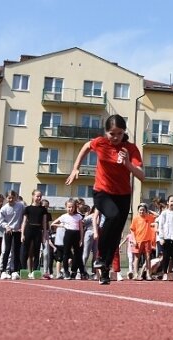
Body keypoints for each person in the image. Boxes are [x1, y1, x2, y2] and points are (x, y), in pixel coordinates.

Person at [66, 114, 145, 285]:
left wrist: (127, 164)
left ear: (124, 132)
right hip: (102, 192)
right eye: (112, 133)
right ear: (106, 132)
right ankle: (100, 256)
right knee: (113, 216)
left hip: (123, 195)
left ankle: (105, 271)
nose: (116, 137)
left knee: (116, 235)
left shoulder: (130, 149)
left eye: (119, 133)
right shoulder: (100, 142)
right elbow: (86, 146)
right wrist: (75, 168)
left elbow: (142, 175)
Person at [51, 199, 85, 280]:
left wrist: (81, 239)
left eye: (72, 207)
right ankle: (66, 271)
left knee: (78, 254)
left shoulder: (78, 216)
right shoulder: (64, 216)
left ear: (75, 207)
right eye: (69, 207)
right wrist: (62, 225)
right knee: (66, 254)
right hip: (68, 235)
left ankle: (80, 272)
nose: (71, 209)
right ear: (66, 207)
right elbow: (53, 223)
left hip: (76, 235)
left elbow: (81, 229)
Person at [20, 190, 48, 279]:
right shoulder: (27, 208)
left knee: (37, 251)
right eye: (37, 196)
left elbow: (44, 223)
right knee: (25, 251)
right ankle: (24, 270)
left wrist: (44, 235)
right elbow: (24, 222)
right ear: (33, 196)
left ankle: (35, 271)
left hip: (38, 230)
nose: (39, 198)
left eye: (40, 196)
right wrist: (22, 234)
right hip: (29, 229)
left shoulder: (43, 209)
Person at [156, 195, 173, 281]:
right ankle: (164, 273)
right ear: (168, 202)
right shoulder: (164, 213)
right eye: (171, 201)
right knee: (166, 257)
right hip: (166, 238)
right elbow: (161, 226)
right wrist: (161, 237)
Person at [0, 190, 24, 279]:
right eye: (9, 198)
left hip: (18, 231)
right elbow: (1, 222)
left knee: (16, 251)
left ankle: (15, 271)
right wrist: (6, 226)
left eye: (12, 198)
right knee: (7, 251)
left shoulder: (21, 206)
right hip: (8, 231)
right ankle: (3, 271)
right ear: (6, 198)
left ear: (16, 197)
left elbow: (25, 216)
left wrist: (22, 226)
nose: (10, 199)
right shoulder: (4, 209)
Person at [130, 203, 156, 280]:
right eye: (140, 210)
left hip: (147, 240)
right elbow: (132, 230)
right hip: (138, 241)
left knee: (148, 258)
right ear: (138, 211)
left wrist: (149, 211)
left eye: (143, 210)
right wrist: (134, 240)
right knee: (137, 258)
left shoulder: (149, 217)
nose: (142, 211)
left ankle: (148, 274)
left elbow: (158, 215)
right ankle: (136, 274)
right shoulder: (135, 219)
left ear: (146, 211)